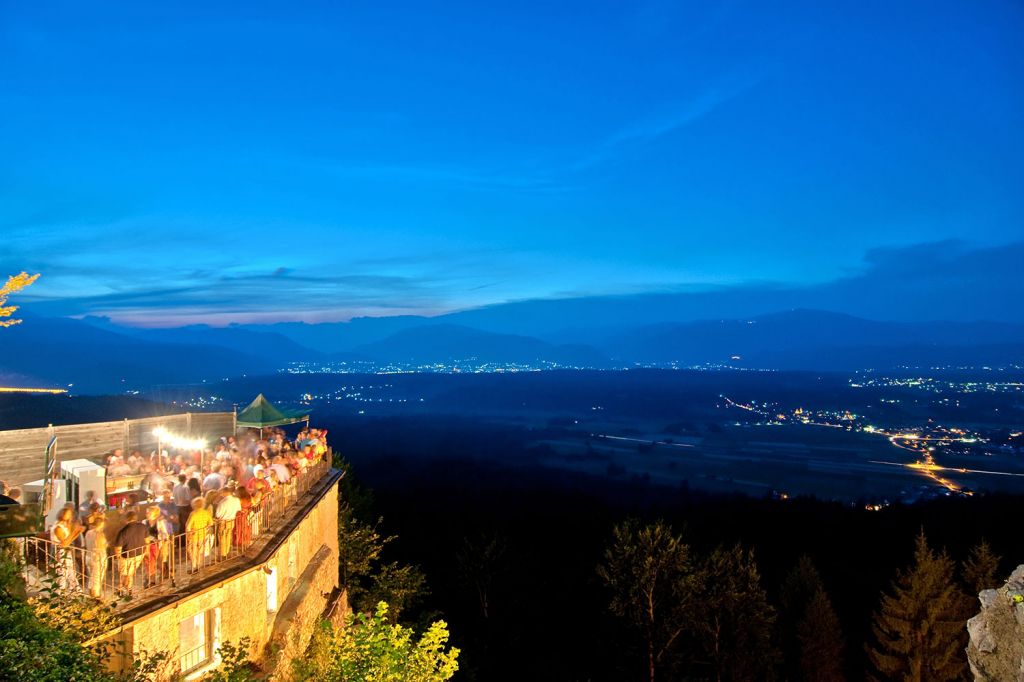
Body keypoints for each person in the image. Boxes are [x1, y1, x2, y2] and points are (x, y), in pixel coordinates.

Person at [113, 510, 148, 596]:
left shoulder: (123, 531)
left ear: (126, 519)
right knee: (130, 572)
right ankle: (122, 588)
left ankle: (127, 590)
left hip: (127, 556)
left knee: (125, 573)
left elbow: (118, 548)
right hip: (140, 553)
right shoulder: (143, 527)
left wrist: (118, 557)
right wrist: (146, 552)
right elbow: (147, 541)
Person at [50, 507, 83, 591]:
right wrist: (74, 532)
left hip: (66, 551)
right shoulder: (58, 527)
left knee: (71, 571)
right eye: (68, 514)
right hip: (60, 551)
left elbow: (69, 540)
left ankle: (75, 589)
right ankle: (60, 592)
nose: (70, 516)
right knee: (62, 573)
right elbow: (64, 543)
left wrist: (77, 532)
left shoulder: (64, 526)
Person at [143, 505, 173, 586]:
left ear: (155, 514)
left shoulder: (159, 522)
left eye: (149, 512)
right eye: (147, 512)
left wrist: (163, 540)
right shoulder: (144, 522)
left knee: (160, 563)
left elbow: (164, 533)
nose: (147, 514)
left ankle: (161, 578)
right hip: (148, 546)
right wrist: (152, 538)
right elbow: (143, 534)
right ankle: (152, 580)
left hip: (159, 545)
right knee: (149, 563)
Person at [185, 498, 213, 573]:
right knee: (200, 551)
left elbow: (188, 526)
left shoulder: (193, 513)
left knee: (192, 551)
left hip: (194, 536)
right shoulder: (206, 512)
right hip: (203, 535)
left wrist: (188, 534)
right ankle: (199, 565)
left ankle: (194, 567)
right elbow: (211, 523)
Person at [84, 516, 108, 599]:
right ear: (101, 524)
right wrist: (106, 544)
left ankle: (91, 594)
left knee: (91, 577)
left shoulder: (88, 532)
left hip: (88, 556)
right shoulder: (100, 534)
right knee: (97, 579)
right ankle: (96, 597)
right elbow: (100, 546)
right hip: (97, 558)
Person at [214, 486, 240, 559]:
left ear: (225, 492)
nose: (221, 494)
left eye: (221, 493)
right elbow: (238, 509)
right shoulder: (236, 500)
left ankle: (222, 555)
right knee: (228, 537)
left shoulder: (222, 502)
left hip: (223, 522)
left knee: (222, 538)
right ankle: (226, 552)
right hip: (231, 520)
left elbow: (217, 515)